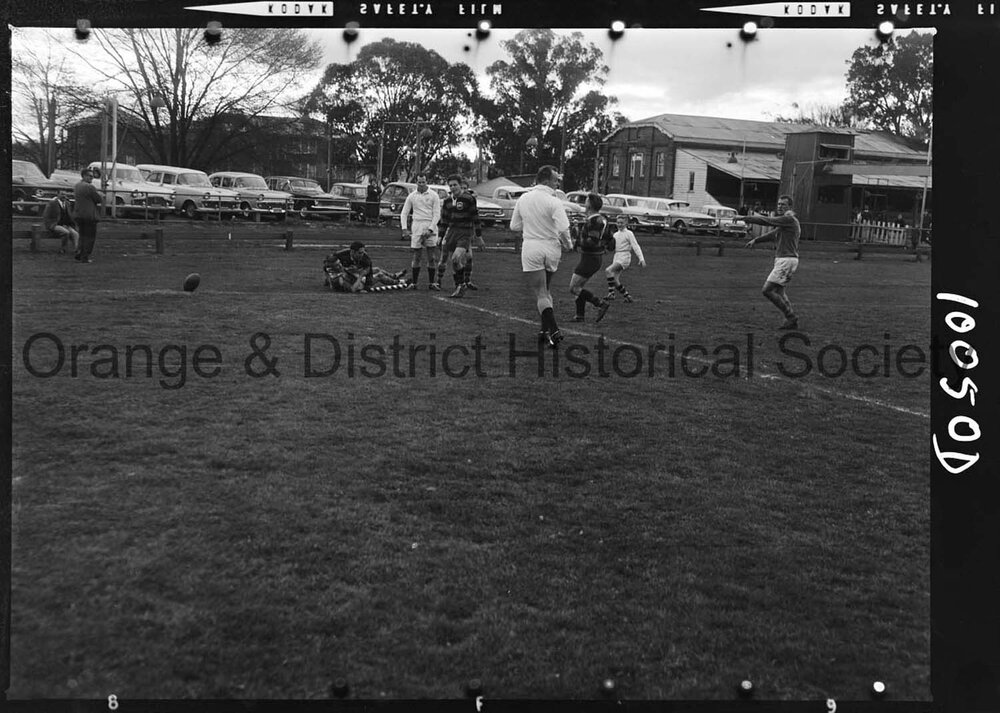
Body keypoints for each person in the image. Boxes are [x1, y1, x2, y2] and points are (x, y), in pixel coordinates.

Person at [510, 165, 573, 348]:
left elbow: (514, 226)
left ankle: (553, 329)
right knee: (546, 291)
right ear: (546, 180)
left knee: (541, 293)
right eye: (555, 180)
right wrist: (569, 244)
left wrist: (532, 225)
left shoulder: (524, 198)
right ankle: (546, 332)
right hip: (551, 247)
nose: (558, 183)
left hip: (532, 246)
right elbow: (563, 228)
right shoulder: (554, 201)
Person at [739, 193, 801, 330]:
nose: (779, 206)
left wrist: (745, 218)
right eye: (778, 204)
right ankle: (791, 320)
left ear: (789, 206)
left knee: (767, 290)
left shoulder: (788, 219)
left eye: (783, 204)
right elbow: (773, 234)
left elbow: (765, 221)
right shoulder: (786, 222)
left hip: (786, 260)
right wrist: (756, 240)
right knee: (779, 291)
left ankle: (791, 317)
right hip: (785, 259)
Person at [436, 174, 486, 298]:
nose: (453, 187)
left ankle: (461, 285)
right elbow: (444, 221)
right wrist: (440, 236)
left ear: (460, 185)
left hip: (465, 233)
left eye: (455, 185)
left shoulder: (468, 199)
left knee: (456, 258)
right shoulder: (447, 201)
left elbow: (476, 218)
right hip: (452, 232)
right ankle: (460, 285)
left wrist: (479, 237)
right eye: (451, 185)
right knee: (454, 263)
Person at [568, 193, 613, 323]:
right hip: (592, 258)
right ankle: (580, 315)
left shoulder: (595, 221)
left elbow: (592, 240)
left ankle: (600, 304)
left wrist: (579, 241)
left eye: (586, 201)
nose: (584, 203)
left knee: (573, 288)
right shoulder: (601, 219)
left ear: (590, 205)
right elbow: (610, 240)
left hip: (590, 259)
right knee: (579, 287)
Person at [399, 173, 442, 290]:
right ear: (416, 182)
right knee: (416, 256)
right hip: (417, 225)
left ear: (426, 181)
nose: (422, 184)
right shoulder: (412, 196)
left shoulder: (434, 195)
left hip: (430, 224)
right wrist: (404, 228)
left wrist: (431, 229)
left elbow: (437, 214)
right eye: (419, 182)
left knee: (431, 257)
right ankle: (414, 283)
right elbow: (404, 213)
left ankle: (432, 283)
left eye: (423, 182)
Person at [322, 241, 406, 292]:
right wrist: (363, 282)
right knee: (379, 275)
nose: (363, 254)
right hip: (357, 282)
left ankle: (394, 276)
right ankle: (400, 282)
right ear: (352, 252)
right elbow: (352, 289)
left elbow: (368, 274)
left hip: (354, 277)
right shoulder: (341, 257)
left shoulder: (366, 259)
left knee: (376, 269)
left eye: (363, 252)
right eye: (360, 253)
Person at [604, 214, 646, 304]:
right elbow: (612, 247)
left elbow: (635, 246)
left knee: (608, 270)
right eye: (618, 222)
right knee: (614, 279)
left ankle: (611, 293)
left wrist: (641, 258)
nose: (619, 224)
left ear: (626, 223)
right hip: (617, 256)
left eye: (621, 223)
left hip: (625, 257)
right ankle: (627, 296)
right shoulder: (615, 234)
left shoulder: (629, 233)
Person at [72, 167, 103, 263]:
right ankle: (85, 256)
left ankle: (79, 252)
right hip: (89, 215)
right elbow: (98, 199)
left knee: (82, 235)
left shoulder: (77, 186)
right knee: (89, 237)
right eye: (90, 176)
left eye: (92, 176)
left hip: (79, 214)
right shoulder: (90, 187)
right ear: (84, 176)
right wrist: (101, 195)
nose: (91, 178)